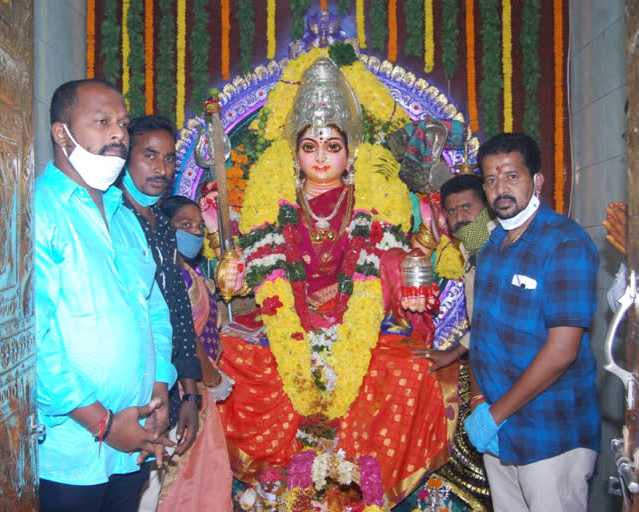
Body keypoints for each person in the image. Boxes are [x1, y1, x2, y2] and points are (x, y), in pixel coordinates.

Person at [213, 53, 460, 508]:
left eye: (333, 147)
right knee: (229, 359)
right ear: (295, 154)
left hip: (357, 328)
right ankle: (279, 491)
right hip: (285, 327)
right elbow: (247, 278)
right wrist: (227, 275)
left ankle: (357, 488)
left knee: (411, 370)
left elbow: (390, 263)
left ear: (350, 154)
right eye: (310, 147)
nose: (322, 157)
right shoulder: (273, 206)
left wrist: (405, 274)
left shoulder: (368, 200)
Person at [35, 78, 175, 512]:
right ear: (62, 133)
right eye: (102, 122)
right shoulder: (41, 210)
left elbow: (153, 311)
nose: (118, 134)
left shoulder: (124, 217)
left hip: (131, 440)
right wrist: (104, 424)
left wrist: (159, 388)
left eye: (122, 124)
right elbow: (37, 341)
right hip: (73, 450)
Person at [466, 132, 600, 512]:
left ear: (537, 180)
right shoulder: (491, 246)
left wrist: (494, 414)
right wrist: (480, 403)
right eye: (491, 179)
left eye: (512, 176)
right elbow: (482, 334)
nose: (500, 188)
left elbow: (562, 352)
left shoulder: (564, 244)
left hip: (549, 434)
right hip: (499, 430)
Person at [119, 115, 202, 511]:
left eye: (169, 159)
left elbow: (178, 315)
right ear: (125, 157)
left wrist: (190, 395)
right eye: (149, 155)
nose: (162, 169)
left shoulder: (164, 227)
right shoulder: (114, 219)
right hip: (127, 393)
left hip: (166, 389)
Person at [145, 195, 235, 511]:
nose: (195, 233)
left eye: (199, 226)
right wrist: (212, 379)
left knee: (202, 477)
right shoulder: (169, 274)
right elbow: (186, 336)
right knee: (178, 480)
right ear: (164, 227)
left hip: (198, 387)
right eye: (185, 225)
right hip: (185, 387)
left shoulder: (189, 271)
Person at [413, 173, 497, 371]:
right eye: (452, 211)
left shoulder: (501, 244)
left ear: (487, 206)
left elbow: (495, 315)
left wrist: (456, 352)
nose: (460, 217)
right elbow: (482, 318)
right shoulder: (468, 247)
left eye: (467, 207)